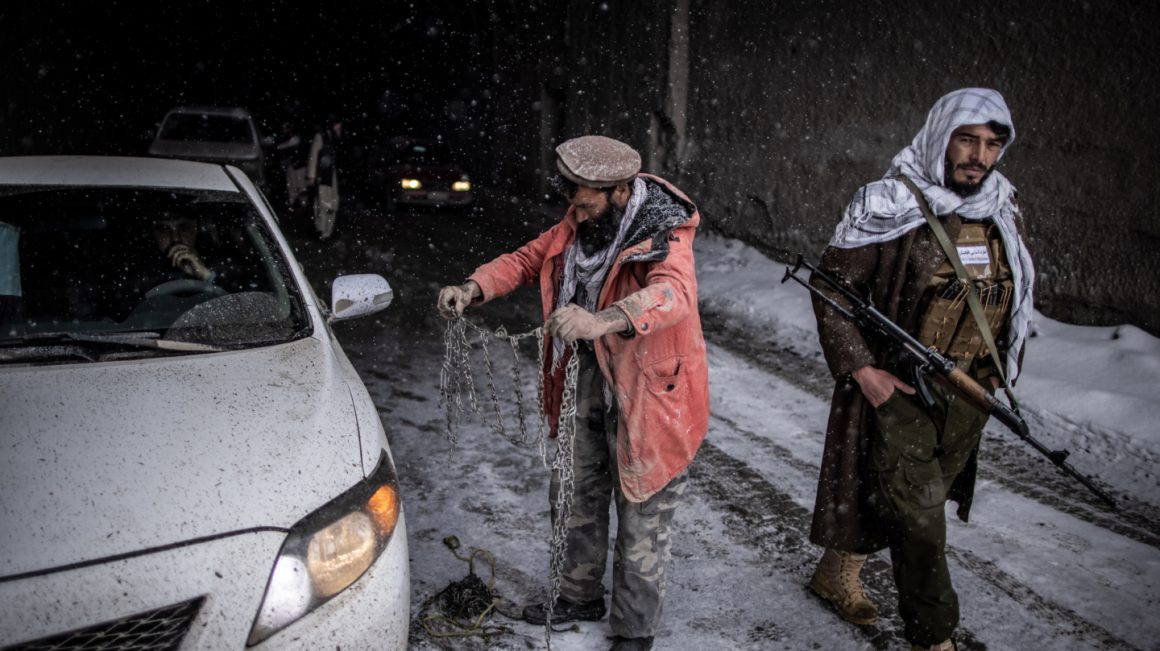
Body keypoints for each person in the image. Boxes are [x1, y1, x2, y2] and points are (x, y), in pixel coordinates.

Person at [437, 135, 710, 651]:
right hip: (584, 379)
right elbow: (526, 259)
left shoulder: (665, 233)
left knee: (641, 511)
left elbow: (674, 294)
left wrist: (602, 319)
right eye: (571, 199)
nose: (575, 212)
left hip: (650, 390)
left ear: (622, 193)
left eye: (586, 201)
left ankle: (633, 630)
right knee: (575, 491)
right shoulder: (579, 222)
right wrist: (473, 288)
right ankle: (577, 595)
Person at [805, 88, 1035, 651]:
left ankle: (837, 569)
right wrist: (863, 371)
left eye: (991, 144)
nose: (979, 156)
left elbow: (1008, 291)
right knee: (922, 518)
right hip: (902, 387)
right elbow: (832, 291)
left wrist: (1001, 363)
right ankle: (934, 637)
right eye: (967, 139)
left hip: (970, 393)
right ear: (940, 135)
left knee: (900, 500)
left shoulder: (1000, 205)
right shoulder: (887, 204)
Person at [305, 116, 342, 241]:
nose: (339, 127)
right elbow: (313, 156)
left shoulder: (335, 138)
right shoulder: (320, 136)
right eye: (337, 124)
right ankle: (321, 230)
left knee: (332, 203)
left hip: (332, 175)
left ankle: (327, 231)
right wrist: (311, 175)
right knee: (322, 203)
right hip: (323, 174)